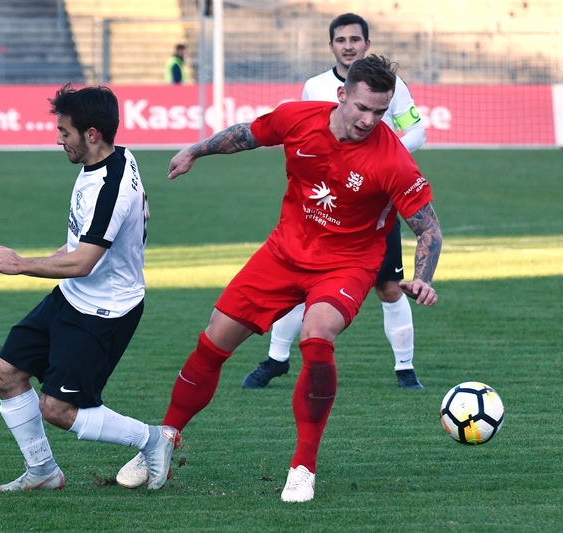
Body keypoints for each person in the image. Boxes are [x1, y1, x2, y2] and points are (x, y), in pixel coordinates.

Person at [115, 55, 442, 502]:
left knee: (316, 337)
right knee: (213, 341)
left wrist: (423, 277)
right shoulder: (298, 117)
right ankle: (163, 441)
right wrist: (195, 150)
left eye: (379, 112)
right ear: (342, 94)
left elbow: (428, 228)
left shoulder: (393, 160)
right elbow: (247, 134)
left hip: (347, 263)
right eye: (362, 108)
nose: (369, 120)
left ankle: (303, 467)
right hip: (285, 251)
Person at [0, 83, 177, 492]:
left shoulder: (111, 188)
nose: (58, 139)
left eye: (65, 132)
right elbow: (88, 244)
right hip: (74, 296)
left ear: (92, 135)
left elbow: (85, 261)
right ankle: (43, 472)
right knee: (5, 372)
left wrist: (20, 264)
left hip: (103, 311)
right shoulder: (116, 157)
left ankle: (150, 438)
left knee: (57, 408)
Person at [242, 12, 428, 391]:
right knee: (297, 282)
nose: (348, 45)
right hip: (319, 206)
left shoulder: (392, 86)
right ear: (332, 46)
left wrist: (383, 165)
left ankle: (405, 369)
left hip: (372, 206)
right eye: (341, 40)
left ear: (366, 45)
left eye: (355, 39)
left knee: (389, 287)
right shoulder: (314, 87)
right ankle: (277, 359)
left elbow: (417, 129)